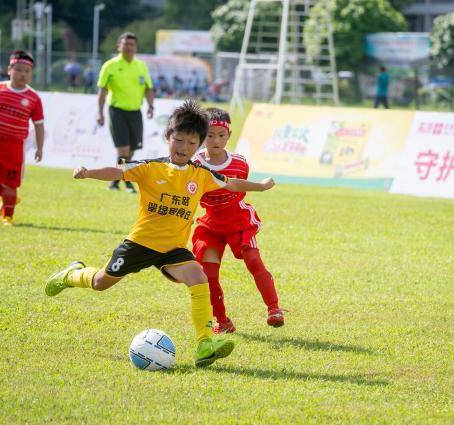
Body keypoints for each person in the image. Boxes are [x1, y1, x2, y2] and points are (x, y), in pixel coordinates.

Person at [44, 99, 276, 367]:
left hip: (173, 249)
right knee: (100, 283)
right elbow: (117, 171)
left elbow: (232, 183)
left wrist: (260, 186)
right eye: (178, 140)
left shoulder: (200, 174)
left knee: (198, 277)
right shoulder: (150, 167)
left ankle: (204, 343)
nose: (184, 148)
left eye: (191, 143)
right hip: (140, 244)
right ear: (168, 137)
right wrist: (88, 172)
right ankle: (72, 274)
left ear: (199, 145)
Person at [191, 107, 283, 334]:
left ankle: (274, 309)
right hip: (210, 225)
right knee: (209, 275)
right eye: (210, 135)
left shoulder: (239, 163)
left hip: (238, 220)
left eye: (221, 135)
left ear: (229, 136)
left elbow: (237, 184)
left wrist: (261, 187)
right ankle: (222, 321)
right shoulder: (194, 164)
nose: (215, 140)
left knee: (253, 260)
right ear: (202, 135)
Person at [0, 50, 44, 226]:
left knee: (9, 184)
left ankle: (8, 216)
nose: (22, 74)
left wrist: (39, 147)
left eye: (27, 71)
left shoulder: (33, 97)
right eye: (19, 70)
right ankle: (10, 199)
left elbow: (39, 124)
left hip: (14, 146)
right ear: (9, 69)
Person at [96, 32, 154, 193]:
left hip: (135, 112)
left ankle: (115, 181)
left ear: (135, 47)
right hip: (117, 111)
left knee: (132, 150)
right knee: (123, 150)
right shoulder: (110, 65)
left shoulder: (141, 66)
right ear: (118, 46)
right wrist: (99, 113)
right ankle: (126, 181)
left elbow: (149, 88)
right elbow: (102, 91)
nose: (128, 47)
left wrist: (151, 106)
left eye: (131, 45)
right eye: (125, 44)